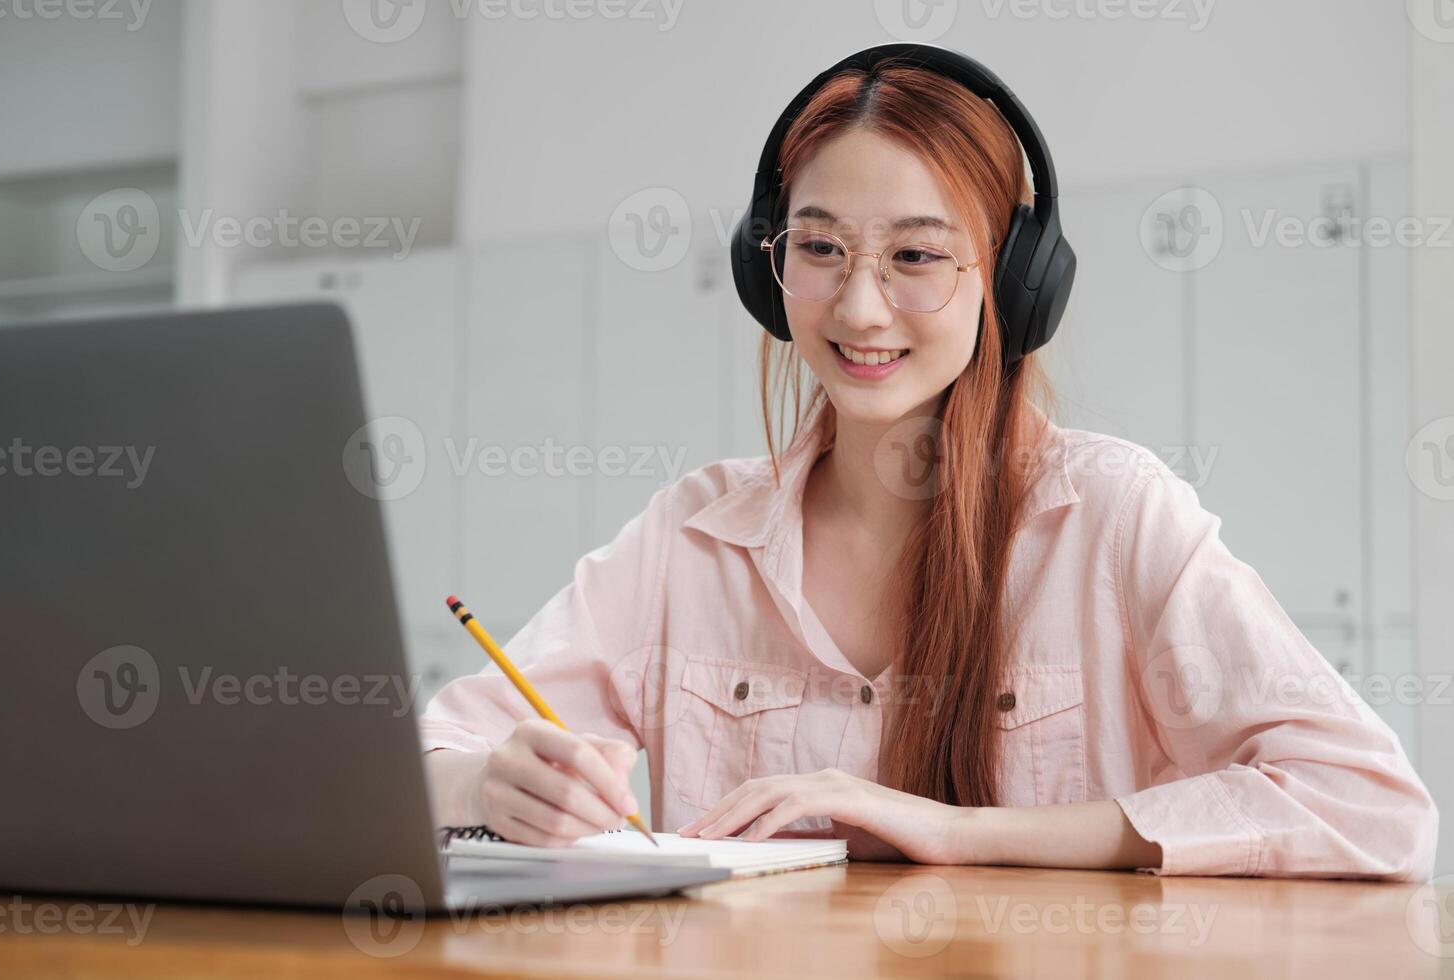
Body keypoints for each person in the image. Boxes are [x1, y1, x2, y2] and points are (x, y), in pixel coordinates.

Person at [419, 48, 1437, 879]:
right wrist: (485, 784)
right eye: (819, 249)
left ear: (1014, 281)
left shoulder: (1114, 519)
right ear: (767, 267)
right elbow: (417, 764)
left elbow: (1371, 807)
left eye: (916, 256)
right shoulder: (691, 539)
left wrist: (954, 829)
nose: (860, 308)